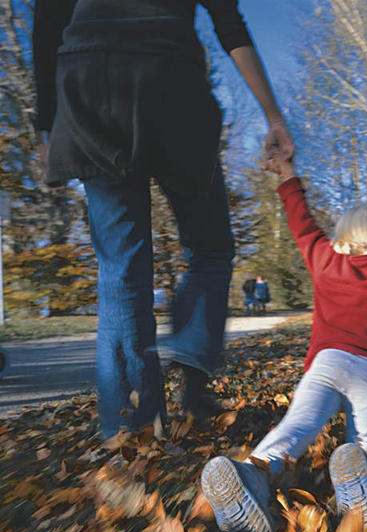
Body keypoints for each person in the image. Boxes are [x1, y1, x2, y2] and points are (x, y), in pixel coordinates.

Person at [33, 0, 294, 435]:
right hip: (170, 81)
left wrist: (46, 129)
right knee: (210, 248)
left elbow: (47, 23)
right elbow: (229, 23)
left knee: (120, 268)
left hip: (88, 82)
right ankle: (193, 375)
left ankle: (132, 429)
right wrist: (273, 116)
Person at [200, 150, 367, 532]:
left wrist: (287, 172)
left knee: (296, 428)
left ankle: (252, 476)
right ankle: (366, 489)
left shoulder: (323, 258)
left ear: (341, 235)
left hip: (326, 364)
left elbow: (300, 219)